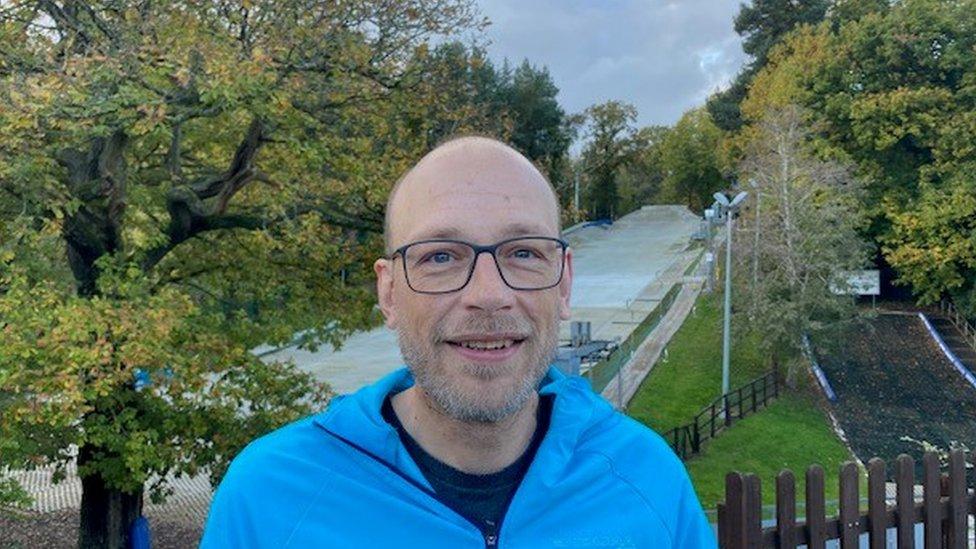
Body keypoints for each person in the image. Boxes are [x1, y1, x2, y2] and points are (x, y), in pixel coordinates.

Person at [201, 136, 716, 548]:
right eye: (441, 257)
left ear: (563, 283)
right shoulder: (270, 499)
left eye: (524, 253)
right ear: (389, 292)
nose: (489, 296)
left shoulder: (646, 480)